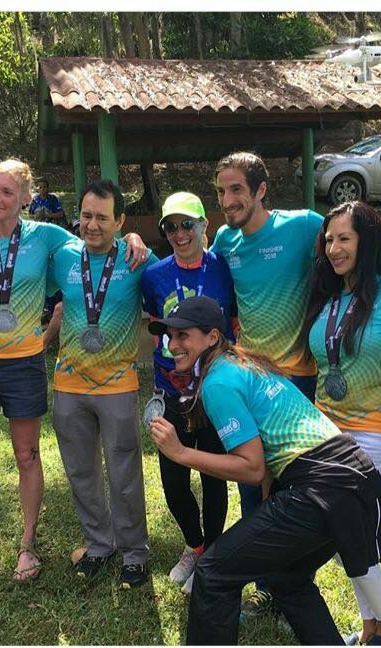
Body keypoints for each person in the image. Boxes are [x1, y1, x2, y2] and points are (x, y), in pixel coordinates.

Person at [0, 159, 146, 602]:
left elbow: (110, 252)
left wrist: (135, 237)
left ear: (26, 198)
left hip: (66, 373)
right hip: (18, 372)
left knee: (71, 462)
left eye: (6, 191)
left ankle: (86, 551)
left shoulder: (81, 246)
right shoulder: (3, 246)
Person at [210, 150, 381, 615]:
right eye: (221, 191)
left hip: (301, 385)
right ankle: (268, 585)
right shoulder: (224, 240)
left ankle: (291, 585)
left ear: (261, 190)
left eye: (236, 189)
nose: (227, 200)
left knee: (296, 496)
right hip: (251, 383)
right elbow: (197, 266)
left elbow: (360, 244)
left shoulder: (304, 226)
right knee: (252, 482)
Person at [149, 295, 381, 645]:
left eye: (183, 335)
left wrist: (181, 453)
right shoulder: (245, 363)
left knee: (213, 571)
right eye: (170, 336)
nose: (172, 345)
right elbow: (266, 459)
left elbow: (251, 467)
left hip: (320, 486)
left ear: (213, 337)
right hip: (352, 476)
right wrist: (268, 507)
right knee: (286, 576)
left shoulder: (218, 381)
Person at [302, 201, 381, 645]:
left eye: (345, 238)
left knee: (345, 530)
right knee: (351, 531)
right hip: (325, 432)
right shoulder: (328, 295)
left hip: (374, 432)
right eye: (329, 239)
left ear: (367, 242)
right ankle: (373, 629)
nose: (334, 248)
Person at [42, 179, 156, 588]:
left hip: (117, 384)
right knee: (80, 472)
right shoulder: (63, 257)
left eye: (102, 218)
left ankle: (135, 553)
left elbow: (171, 285)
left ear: (120, 221)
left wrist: (137, 239)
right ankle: (98, 545)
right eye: (86, 216)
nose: (92, 225)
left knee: (124, 474)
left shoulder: (137, 258)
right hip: (69, 384)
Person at [140, 192, 236, 595]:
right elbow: (154, 322)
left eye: (187, 225)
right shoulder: (154, 275)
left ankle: (211, 551)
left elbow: (232, 323)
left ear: (203, 226)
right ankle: (193, 545)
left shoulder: (223, 269)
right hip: (170, 388)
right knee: (173, 478)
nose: (179, 233)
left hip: (213, 390)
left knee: (213, 475)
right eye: (170, 227)